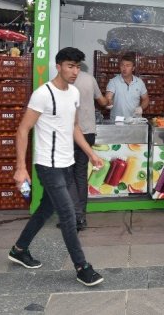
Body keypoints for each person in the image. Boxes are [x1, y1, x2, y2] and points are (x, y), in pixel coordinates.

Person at [9, 47, 104, 287]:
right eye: (70, 66)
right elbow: (23, 130)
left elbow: (74, 127)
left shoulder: (74, 93)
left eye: (77, 67)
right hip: (48, 165)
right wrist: (20, 168)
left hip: (67, 163)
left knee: (44, 210)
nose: (74, 71)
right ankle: (82, 267)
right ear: (58, 66)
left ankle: (19, 249)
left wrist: (91, 153)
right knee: (69, 214)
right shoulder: (43, 94)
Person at [68, 68, 109, 231]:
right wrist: (109, 100)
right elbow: (103, 102)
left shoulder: (65, 79)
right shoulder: (90, 79)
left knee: (69, 175)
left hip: (72, 133)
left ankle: (73, 216)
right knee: (80, 174)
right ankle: (80, 216)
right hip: (89, 132)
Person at [105, 53, 149, 120]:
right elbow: (108, 97)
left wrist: (141, 108)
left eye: (128, 66)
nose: (124, 68)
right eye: (122, 65)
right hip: (118, 120)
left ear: (133, 68)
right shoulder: (113, 82)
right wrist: (108, 103)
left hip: (134, 120)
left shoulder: (139, 82)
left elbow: (146, 99)